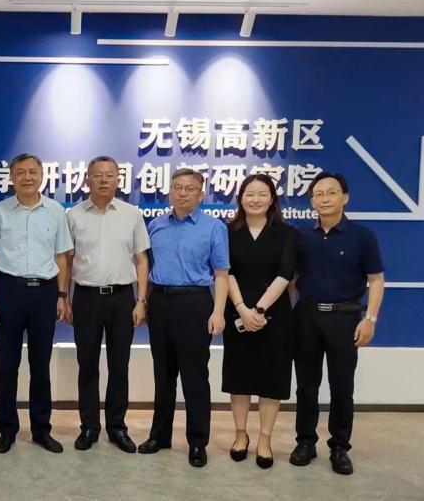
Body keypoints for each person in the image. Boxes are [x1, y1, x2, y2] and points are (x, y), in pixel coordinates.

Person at [291, 172, 385, 476]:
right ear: (311, 201)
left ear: (345, 198)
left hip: (345, 317)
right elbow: (291, 278)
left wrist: (370, 319)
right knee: (306, 385)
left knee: (342, 387)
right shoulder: (301, 236)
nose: (324, 199)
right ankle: (305, 442)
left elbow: (376, 280)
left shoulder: (362, 236)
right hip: (306, 316)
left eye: (331, 193)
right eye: (318, 194)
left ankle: (340, 447)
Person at [0, 152, 73, 454]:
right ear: (12, 178)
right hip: (9, 291)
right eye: (21, 172)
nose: (27, 177)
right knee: (8, 365)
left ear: (42, 176)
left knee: (40, 365)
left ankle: (41, 430)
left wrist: (62, 296)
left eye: (33, 172)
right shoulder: (0, 211)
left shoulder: (55, 211)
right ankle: (7, 430)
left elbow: (62, 256)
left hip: (45, 293)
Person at [138, 168, 229, 468]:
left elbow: (221, 273)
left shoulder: (213, 227)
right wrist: (144, 302)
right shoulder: (155, 225)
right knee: (163, 374)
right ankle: (159, 436)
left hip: (195, 302)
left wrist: (218, 312)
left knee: (194, 376)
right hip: (161, 301)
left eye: (190, 188)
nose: (182, 193)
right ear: (170, 191)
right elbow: (146, 267)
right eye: (177, 187)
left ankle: (197, 442)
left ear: (201, 195)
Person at [65, 156, 150, 453]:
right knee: (87, 365)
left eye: (109, 175)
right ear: (87, 179)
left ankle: (117, 427)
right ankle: (89, 427)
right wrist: (65, 298)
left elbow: (141, 259)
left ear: (118, 180)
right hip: (86, 298)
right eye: (97, 175)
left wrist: (141, 300)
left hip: (122, 298)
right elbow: (66, 260)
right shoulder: (73, 215)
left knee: (119, 365)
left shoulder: (132, 214)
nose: (103, 179)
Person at [222, 174, 296, 469]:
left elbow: (285, 273)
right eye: (249, 194)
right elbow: (225, 271)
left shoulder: (286, 233)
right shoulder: (228, 231)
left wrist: (260, 309)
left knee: (271, 378)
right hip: (237, 311)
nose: (255, 199)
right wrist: (242, 309)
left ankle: (265, 438)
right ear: (240, 198)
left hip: (275, 315)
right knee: (239, 376)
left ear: (272, 199)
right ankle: (241, 434)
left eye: (262, 194)